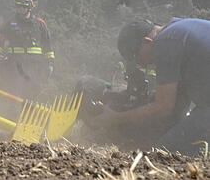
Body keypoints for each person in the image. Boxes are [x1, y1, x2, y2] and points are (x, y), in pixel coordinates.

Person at [88, 17, 210, 156]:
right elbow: (177, 106)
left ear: (146, 42)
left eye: (135, 57)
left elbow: (163, 107)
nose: (140, 64)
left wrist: (115, 118)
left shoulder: (166, 42)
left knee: (161, 155)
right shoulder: (180, 29)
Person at [0, 0, 54, 103]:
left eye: (24, 6)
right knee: (13, 93)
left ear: (30, 7)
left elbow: (47, 45)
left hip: (34, 66)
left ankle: (29, 117)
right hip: (14, 64)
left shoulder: (40, 24)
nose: (21, 9)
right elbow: (0, 41)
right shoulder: (9, 23)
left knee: (33, 94)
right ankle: (11, 117)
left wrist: (49, 63)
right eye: (19, 6)